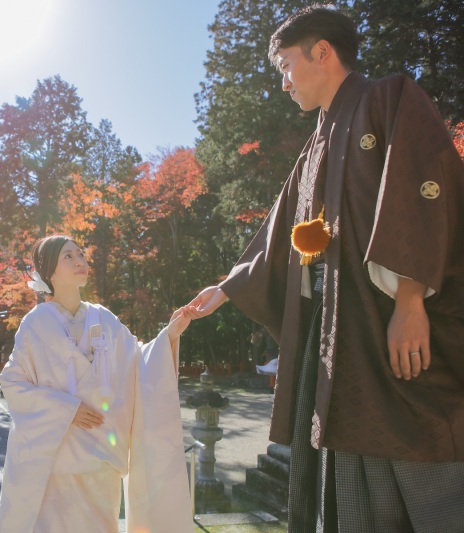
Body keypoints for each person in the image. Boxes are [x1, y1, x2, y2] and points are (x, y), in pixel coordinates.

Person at [189, 5, 464, 531]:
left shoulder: (388, 99)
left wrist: (409, 303)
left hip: (393, 327)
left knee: (422, 457)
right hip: (340, 336)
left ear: (323, 52)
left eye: (288, 66)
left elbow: (426, 194)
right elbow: (277, 235)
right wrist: (227, 286)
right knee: (345, 468)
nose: (285, 83)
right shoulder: (313, 147)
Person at [0, 235, 198, 533]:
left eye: (81, 254)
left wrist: (168, 335)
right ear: (49, 271)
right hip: (57, 459)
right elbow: (12, 382)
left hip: (101, 459)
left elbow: (137, 363)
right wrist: (66, 409)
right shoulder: (35, 324)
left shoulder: (105, 319)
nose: (80, 261)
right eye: (68, 256)